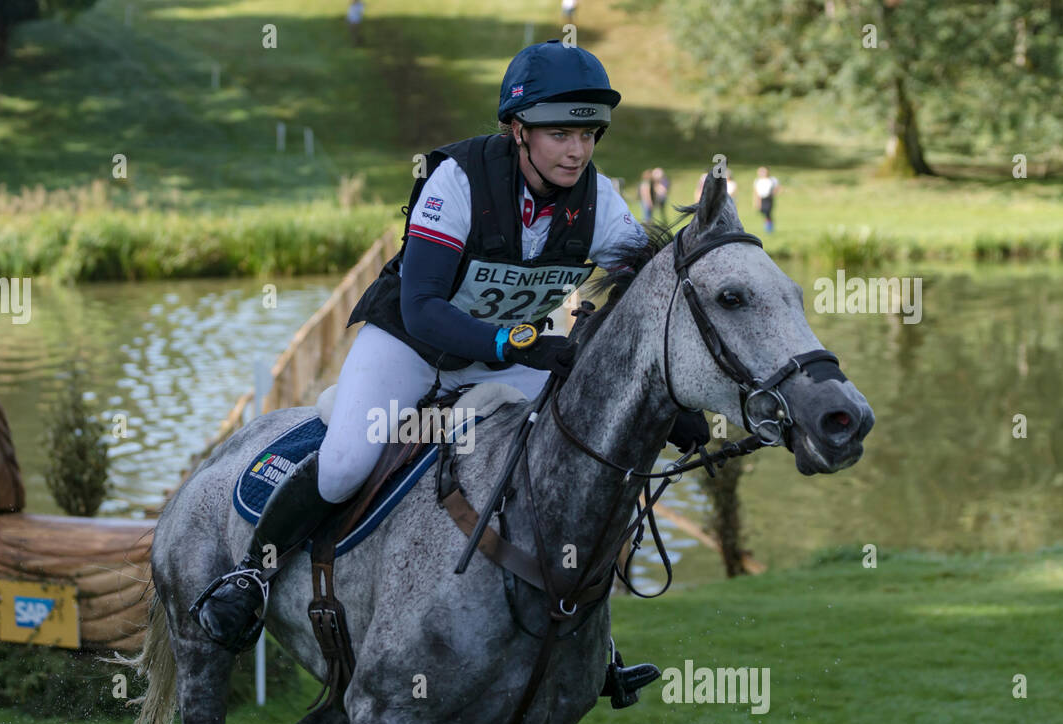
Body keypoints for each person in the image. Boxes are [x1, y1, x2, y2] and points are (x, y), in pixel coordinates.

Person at [192, 40, 709, 652]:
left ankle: (590, 643)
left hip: (511, 355)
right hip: (412, 345)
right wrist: (517, 343)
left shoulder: (601, 202)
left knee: (573, 452)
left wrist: (668, 400)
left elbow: (650, 298)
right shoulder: (457, 180)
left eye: (590, 134)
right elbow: (424, 306)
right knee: (345, 464)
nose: (578, 150)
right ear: (517, 130)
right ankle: (251, 574)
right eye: (559, 134)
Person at [753, 166, 780, 233]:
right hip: (761, 198)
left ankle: (769, 228)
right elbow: (756, 192)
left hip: (768, 198)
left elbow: (777, 188)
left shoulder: (772, 179)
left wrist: (773, 193)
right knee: (762, 211)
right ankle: (768, 223)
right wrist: (756, 202)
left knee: (767, 212)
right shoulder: (757, 180)